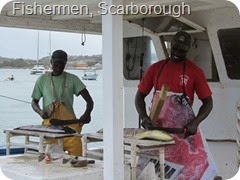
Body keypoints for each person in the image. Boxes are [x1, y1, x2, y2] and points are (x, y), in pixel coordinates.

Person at [135, 31, 216, 179]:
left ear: (188, 49)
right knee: (151, 173)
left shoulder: (195, 71)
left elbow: (208, 102)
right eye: (176, 48)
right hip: (156, 133)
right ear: (171, 45)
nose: (178, 52)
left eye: (182, 50)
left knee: (186, 173)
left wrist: (195, 123)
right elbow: (139, 96)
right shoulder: (155, 69)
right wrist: (144, 117)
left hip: (183, 134)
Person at [31, 49, 94, 156]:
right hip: (50, 129)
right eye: (56, 65)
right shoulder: (42, 80)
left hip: (70, 129)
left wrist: (87, 113)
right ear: (51, 62)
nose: (58, 68)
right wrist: (40, 112)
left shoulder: (73, 79)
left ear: (65, 63)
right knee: (49, 161)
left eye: (62, 65)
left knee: (77, 159)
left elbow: (89, 101)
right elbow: (34, 102)